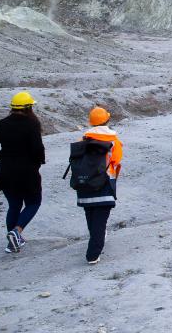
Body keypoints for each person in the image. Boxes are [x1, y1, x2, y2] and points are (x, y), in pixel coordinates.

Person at [0, 91, 45, 254]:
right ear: (28, 107)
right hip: (27, 172)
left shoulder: (1, 124)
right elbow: (38, 149)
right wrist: (37, 164)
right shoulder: (32, 124)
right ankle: (17, 232)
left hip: (5, 171)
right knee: (34, 202)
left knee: (14, 205)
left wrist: (2, 158)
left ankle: (12, 242)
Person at [75, 106, 123, 264]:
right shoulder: (113, 140)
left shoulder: (83, 139)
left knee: (91, 216)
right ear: (107, 120)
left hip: (84, 184)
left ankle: (97, 238)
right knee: (100, 219)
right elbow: (116, 160)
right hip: (104, 184)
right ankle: (93, 254)